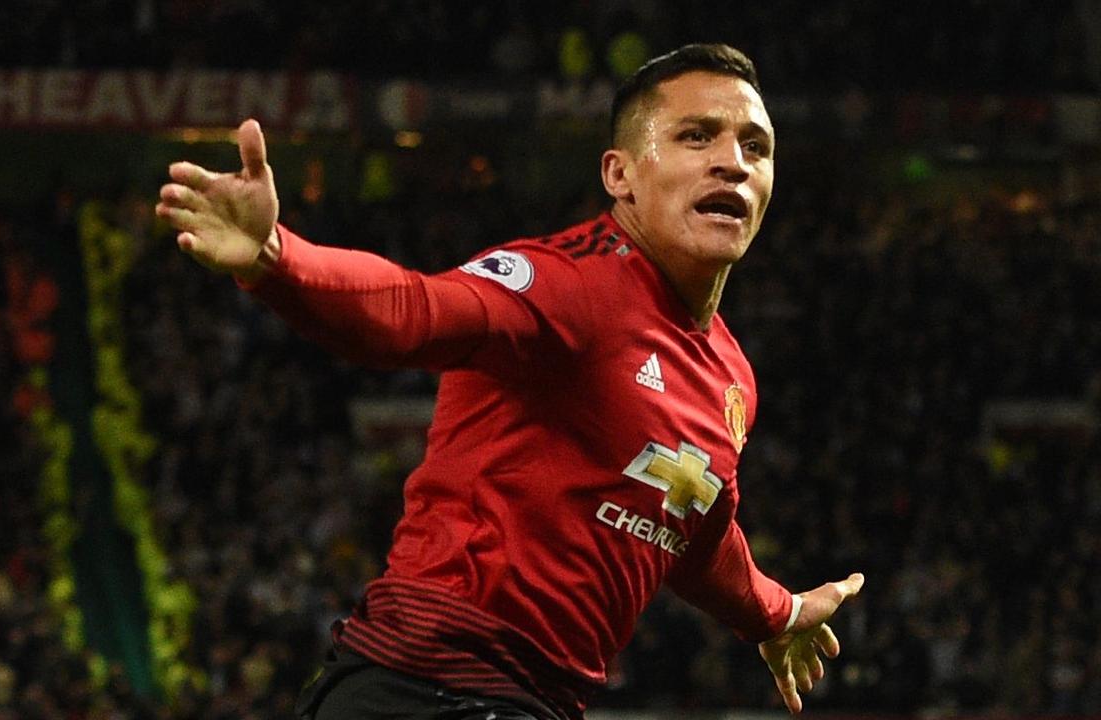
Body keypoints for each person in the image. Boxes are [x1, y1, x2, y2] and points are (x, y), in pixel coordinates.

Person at [156, 43, 865, 720]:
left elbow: (698, 531)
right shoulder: (570, 285)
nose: (733, 164)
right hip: (421, 686)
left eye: (755, 146)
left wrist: (778, 613)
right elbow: (416, 311)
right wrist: (280, 259)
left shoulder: (730, 376)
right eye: (697, 137)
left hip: (527, 703)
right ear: (620, 175)